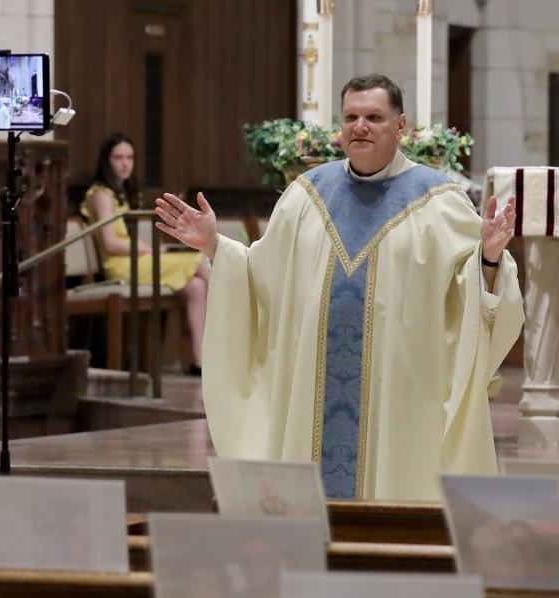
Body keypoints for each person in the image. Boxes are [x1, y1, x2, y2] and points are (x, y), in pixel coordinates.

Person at [154, 74, 523, 501]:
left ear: (400, 126)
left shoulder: (439, 201)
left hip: (401, 399)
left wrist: (490, 256)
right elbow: (263, 277)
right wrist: (215, 245)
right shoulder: (306, 195)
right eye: (351, 117)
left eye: (373, 117)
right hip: (312, 393)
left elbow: (474, 300)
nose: (360, 126)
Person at [81, 133, 210, 374]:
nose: (125, 163)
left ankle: (200, 362)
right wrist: (147, 250)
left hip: (134, 260)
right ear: (106, 161)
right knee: (199, 260)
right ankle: (243, 321)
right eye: (118, 157)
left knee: (196, 287)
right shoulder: (101, 194)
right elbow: (110, 243)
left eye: (130, 157)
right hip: (120, 266)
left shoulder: (119, 194)